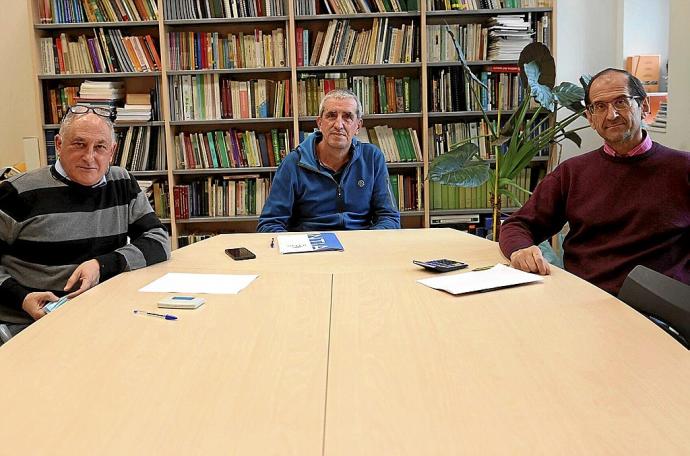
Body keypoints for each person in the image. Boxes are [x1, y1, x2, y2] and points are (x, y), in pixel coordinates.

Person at [499, 68, 690, 295]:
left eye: (621, 102)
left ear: (644, 106)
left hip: (662, 307)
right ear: (590, 118)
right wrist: (520, 249)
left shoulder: (683, 168)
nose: (611, 115)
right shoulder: (572, 173)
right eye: (600, 106)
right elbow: (518, 224)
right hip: (588, 299)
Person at [0, 105, 171, 328]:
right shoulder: (17, 193)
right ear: (59, 144)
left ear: (112, 151)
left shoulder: (121, 182)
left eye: (100, 147)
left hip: (102, 314)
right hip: (33, 322)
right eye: (79, 144)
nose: (89, 157)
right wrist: (21, 298)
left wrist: (101, 265)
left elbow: (158, 240)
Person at [257, 89, 400, 232]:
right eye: (331, 116)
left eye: (347, 117)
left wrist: (368, 242)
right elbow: (269, 224)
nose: (339, 125)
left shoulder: (372, 158)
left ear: (358, 126)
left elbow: (389, 217)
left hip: (359, 242)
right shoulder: (294, 162)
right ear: (320, 123)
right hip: (310, 245)